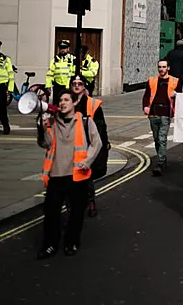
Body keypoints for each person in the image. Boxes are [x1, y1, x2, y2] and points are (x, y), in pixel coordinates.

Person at [36, 88, 103, 258]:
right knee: (51, 213)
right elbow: (45, 144)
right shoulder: (51, 122)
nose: (62, 103)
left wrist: (87, 161)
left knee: (76, 213)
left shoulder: (85, 121)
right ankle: (50, 245)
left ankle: (71, 242)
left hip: (77, 175)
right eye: (60, 100)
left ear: (74, 103)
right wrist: (41, 127)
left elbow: (97, 143)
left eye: (66, 100)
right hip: (56, 174)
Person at [69, 75, 109, 218]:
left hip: (88, 146)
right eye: (74, 83)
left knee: (87, 176)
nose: (77, 86)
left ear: (84, 86)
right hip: (69, 147)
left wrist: (103, 147)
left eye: (80, 83)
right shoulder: (67, 102)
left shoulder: (92, 104)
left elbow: (101, 128)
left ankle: (90, 201)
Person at [142, 60, 179, 176]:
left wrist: (176, 95)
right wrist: (145, 107)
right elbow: (146, 95)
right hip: (153, 113)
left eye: (164, 67)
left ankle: (160, 162)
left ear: (168, 68)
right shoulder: (152, 81)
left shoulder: (175, 81)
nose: (161, 69)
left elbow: (181, 97)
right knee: (156, 139)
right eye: (159, 67)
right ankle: (161, 158)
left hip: (166, 113)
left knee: (162, 138)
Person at [0, 39, 15, 134]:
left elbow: (11, 75)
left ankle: (6, 125)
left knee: (1, 107)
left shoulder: (5, 59)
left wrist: (10, 89)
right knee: (1, 108)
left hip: (2, 86)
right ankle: (6, 126)